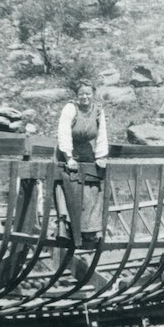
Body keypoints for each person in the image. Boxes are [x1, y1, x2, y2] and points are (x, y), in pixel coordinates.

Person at [54, 79, 108, 247]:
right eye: (81, 94)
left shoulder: (98, 110)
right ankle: (66, 228)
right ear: (77, 95)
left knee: (91, 187)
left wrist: (101, 156)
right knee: (68, 186)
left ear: (93, 94)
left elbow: (102, 134)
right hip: (67, 152)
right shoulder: (70, 108)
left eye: (88, 94)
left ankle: (89, 231)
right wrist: (69, 157)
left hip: (86, 152)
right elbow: (63, 133)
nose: (84, 97)